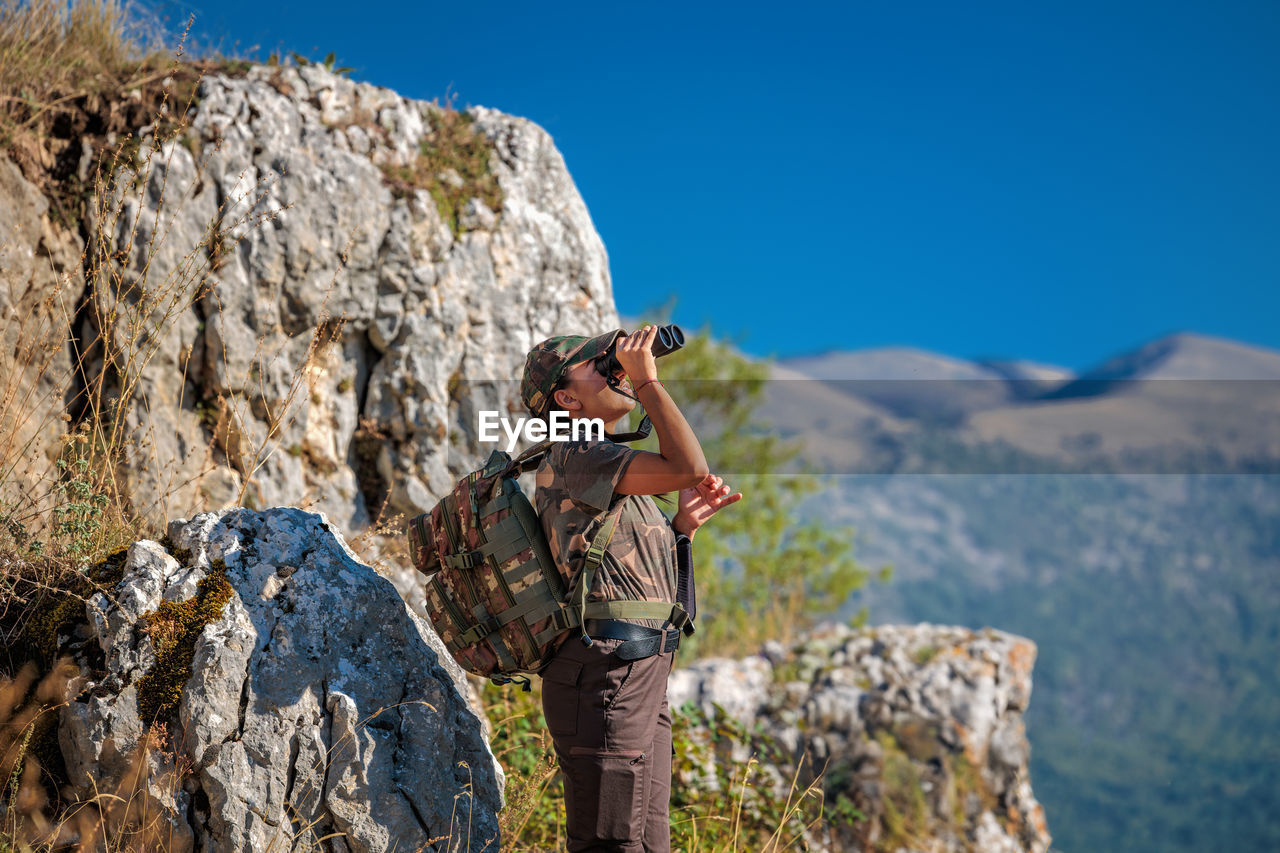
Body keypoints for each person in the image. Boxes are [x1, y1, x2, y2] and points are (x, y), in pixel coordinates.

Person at [519, 324, 742, 852]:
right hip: (605, 676)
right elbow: (691, 467)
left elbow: (646, 590)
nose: (614, 368)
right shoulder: (573, 453)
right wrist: (646, 383)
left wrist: (681, 533)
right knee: (612, 845)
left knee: (645, 845)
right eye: (599, 364)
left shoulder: (610, 468)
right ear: (566, 399)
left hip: (635, 672)